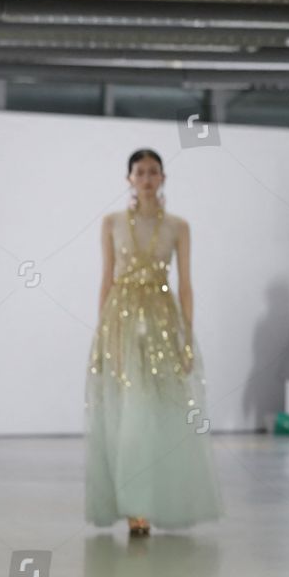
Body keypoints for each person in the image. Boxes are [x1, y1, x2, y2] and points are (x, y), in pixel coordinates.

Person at [85, 149, 223, 536]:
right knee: (128, 414)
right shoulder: (111, 223)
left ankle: (157, 498)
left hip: (163, 321)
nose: (146, 178)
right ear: (129, 179)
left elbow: (186, 284)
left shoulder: (178, 227)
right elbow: (106, 278)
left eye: (153, 172)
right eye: (139, 172)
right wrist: (104, 333)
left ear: (163, 178)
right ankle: (133, 505)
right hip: (123, 319)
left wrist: (187, 338)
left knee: (162, 412)